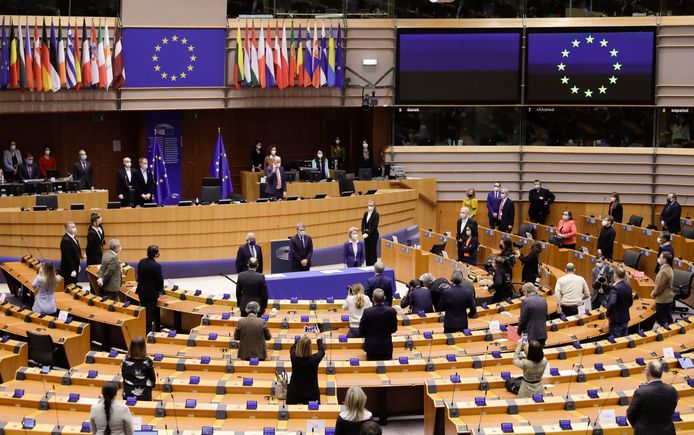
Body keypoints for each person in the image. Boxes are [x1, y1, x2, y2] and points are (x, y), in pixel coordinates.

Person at [626, 360, 679, 435]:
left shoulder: (641, 392)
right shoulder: (672, 390)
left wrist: (639, 427)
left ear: (647, 373)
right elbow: (672, 409)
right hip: (667, 432)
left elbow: (630, 414)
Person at [286, 332, 325, 404]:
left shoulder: (294, 357)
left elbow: (293, 347)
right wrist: (318, 338)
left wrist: (300, 337)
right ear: (310, 347)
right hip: (311, 392)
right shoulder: (314, 359)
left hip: (295, 392)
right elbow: (322, 351)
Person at [359, 289, 398, 360]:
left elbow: (361, 330)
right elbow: (394, 328)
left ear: (372, 299)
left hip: (371, 347)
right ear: (385, 298)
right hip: (386, 346)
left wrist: (369, 335)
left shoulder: (367, 312)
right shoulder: (391, 311)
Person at [136, 245, 164, 333]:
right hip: (151, 293)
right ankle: (148, 334)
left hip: (141, 291)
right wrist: (161, 291)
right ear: (155, 254)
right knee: (149, 315)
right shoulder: (156, 266)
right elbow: (160, 280)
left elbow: (139, 276)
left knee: (144, 312)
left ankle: (142, 330)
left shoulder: (141, 262)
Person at [121, 337, 156, 401]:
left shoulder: (125, 360)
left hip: (128, 391)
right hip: (144, 393)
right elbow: (152, 378)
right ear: (143, 348)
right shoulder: (147, 361)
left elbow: (124, 375)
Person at [606, 268, 633, 337]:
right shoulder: (628, 287)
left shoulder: (615, 288)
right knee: (623, 341)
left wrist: (608, 314)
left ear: (615, 275)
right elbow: (630, 303)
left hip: (615, 319)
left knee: (616, 342)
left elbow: (612, 303)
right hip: (625, 318)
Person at [652, 252, 674, 327]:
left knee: (662, 320)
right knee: (668, 318)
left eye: (661, 257)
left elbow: (659, 288)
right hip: (667, 298)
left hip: (662, 300)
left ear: (665, 260)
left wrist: (653, 294)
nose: (659, 258)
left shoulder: (664, 271)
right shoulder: (668, 268)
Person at [60, 221, 82, 286]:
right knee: (70, 286)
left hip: (75, 266)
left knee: (74, 285)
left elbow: (76, 250)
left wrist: (78, 263)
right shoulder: (66, 240)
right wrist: (72, 269)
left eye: (75, 226)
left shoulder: (72, 237)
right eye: (72, 227)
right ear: (67, 229)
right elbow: (68, 257)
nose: (75, 228)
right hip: (69, 270)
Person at [361, 200, 380, 266]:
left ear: (374, 206)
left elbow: (374, 226)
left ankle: (373, 266)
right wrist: (363, 233)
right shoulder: (365, 213)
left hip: (373, 235)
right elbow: (363, 224)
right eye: (369, 205)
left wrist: (368, 234)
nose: (370, 207)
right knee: (367, 250)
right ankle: (368, 265)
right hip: (366, 235)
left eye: (371, 205)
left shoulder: (376, 214)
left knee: (372, 251)